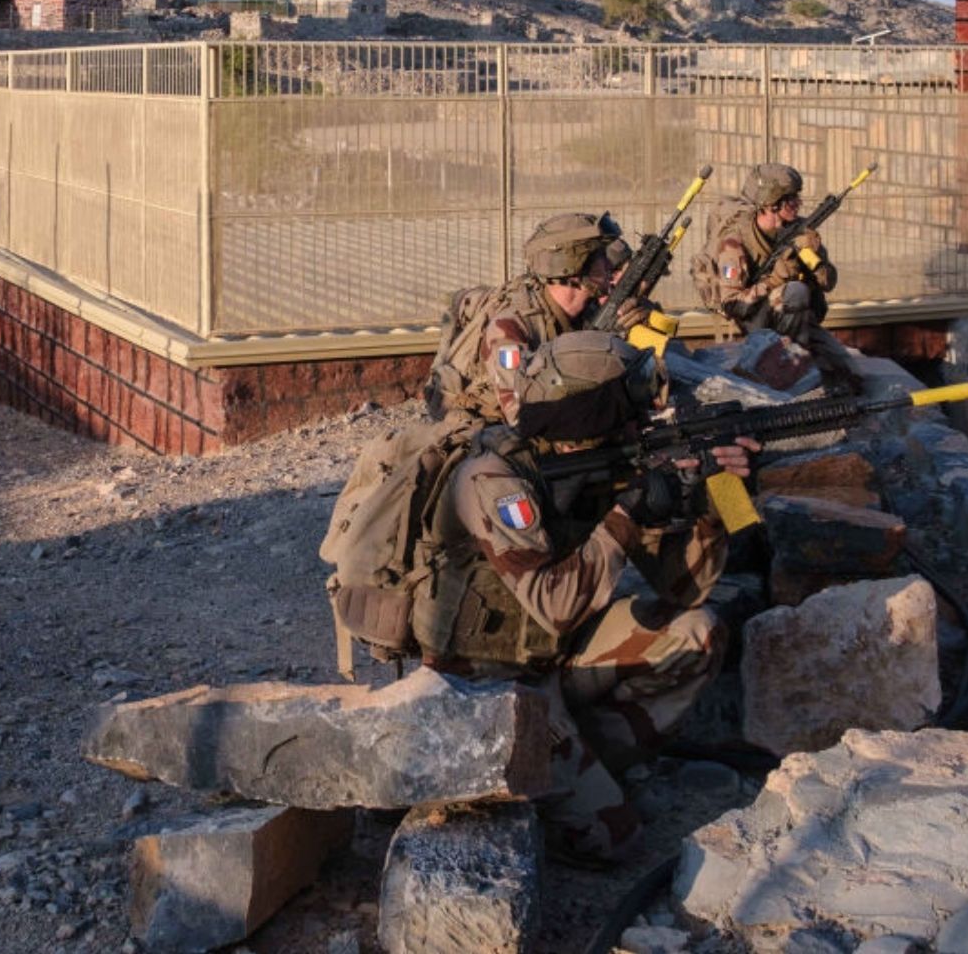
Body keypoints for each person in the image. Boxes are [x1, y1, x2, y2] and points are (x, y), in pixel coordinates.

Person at [332, 332, 756, 863]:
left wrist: (722, 497)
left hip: (555, 657)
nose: (644, 415)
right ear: (589, 415)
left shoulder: (603, 462)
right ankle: (498, 778)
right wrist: (628, 516)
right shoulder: (491, 479)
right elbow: (555, 604)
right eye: (630, 401)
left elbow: (685, 589)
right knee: (616, 842)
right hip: (484, 687)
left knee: (699, 632)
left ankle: (569, 764)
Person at [425, 212, 649, 422]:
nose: (610, 265)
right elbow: (520, 416)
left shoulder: (589, 313)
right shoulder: (510, 328)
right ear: (573, 265)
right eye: (601, 257)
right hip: (485, 428)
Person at [700, 163, 858, 392]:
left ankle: (800, 359)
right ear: (771, 203)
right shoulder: (735, 242)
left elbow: (828, 283)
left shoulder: (799, 232)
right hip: (758, 322)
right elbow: (733, 305)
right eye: (791, 198)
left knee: (848, 374)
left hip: (796, 320)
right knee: (795, 291)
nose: (799, 203)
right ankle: (789, 369)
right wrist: (774, 280)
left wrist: (816, 260)